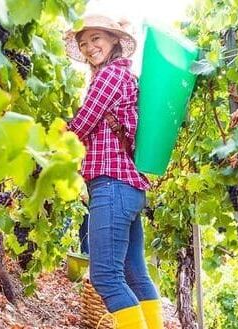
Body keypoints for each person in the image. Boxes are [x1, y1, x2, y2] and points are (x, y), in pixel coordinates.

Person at [65, 15, 163, 329]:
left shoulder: (109, 76)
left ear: (114, 41)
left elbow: (80, 125)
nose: (89, 47)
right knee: (135, 274)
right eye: (84, 43)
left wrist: (43, 140)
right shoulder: (123, 76)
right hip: (129, 187)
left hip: (112, 183)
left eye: (96, 39)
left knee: (106, 277)